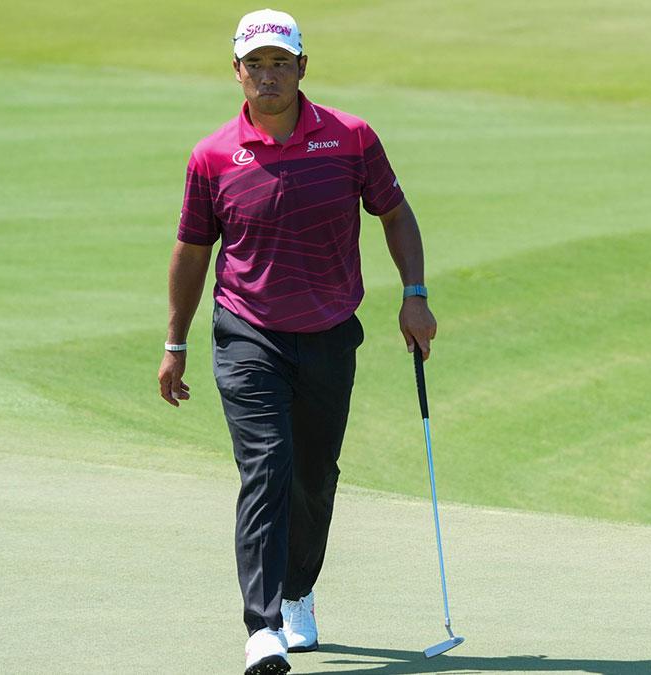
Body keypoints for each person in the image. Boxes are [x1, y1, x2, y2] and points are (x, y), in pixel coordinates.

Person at [156, 9, 437, 675]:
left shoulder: (351, 138)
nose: (268, 75)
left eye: (280, 63)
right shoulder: (212, 155)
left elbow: (394, 213)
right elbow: (192, 251)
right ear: (236, 71)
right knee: (268, 468)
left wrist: (415, 293)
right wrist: (176, 342)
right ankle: (263, 628)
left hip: (330, 333)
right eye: (255, 64)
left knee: (314, 477)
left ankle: (296, 592)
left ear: (302, 67)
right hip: (247, 334)